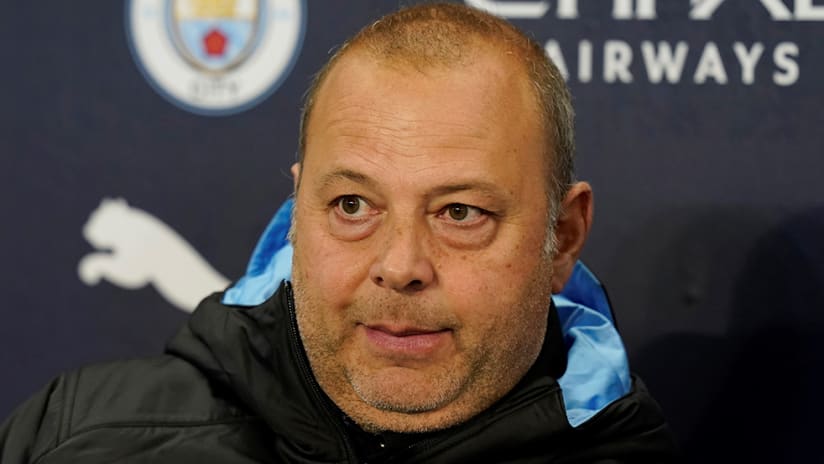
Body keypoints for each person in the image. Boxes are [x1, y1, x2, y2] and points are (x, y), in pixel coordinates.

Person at [0, 3, 679, 462]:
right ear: (299, 212)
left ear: (561, 237)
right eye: (354, 205)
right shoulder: (78, 437)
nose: (401, 264)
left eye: (460, 213)